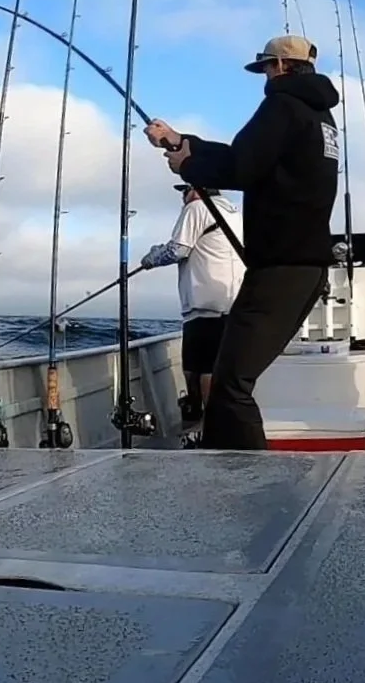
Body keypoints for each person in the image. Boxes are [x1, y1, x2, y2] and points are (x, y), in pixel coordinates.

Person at [143, 34, 340, 450]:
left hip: (281, 268)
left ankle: (251, 488)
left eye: (266, 68)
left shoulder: (282, 105)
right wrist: (183, 142)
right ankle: (230, 476)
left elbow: (242, 167)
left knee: (230, 385)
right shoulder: (319, 117)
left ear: (282, 67)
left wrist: (189, 164)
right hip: (304, 267)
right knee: (232, 382)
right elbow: (250, 155)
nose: (265, 77)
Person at [139, 183, 244, 438]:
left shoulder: (197, 208)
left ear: (196, 190)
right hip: (231, 305)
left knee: (204, 369)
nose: (182, 198)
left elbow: (178, 249)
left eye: (184, 191)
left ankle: (210, 427)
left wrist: (151, 258)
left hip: (206, 306)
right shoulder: (235, 215)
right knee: (197, 369)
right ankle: (205, 420)